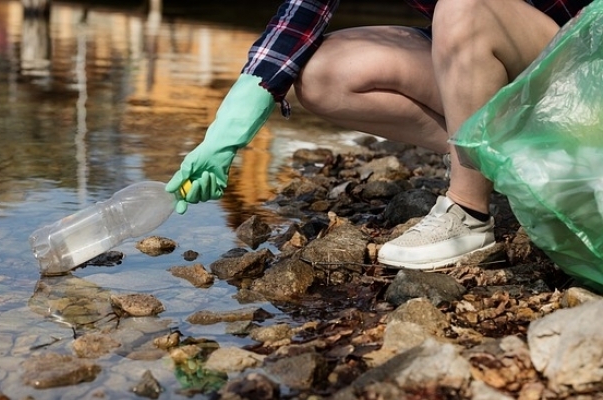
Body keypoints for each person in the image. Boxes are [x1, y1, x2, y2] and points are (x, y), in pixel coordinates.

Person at [165, 0, 593, 270]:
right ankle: (499, 157)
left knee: (463, 6)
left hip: (586, 73)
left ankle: (468, 214)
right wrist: (230, 124)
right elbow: (302, 13)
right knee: (323, 73)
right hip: (511, 64)